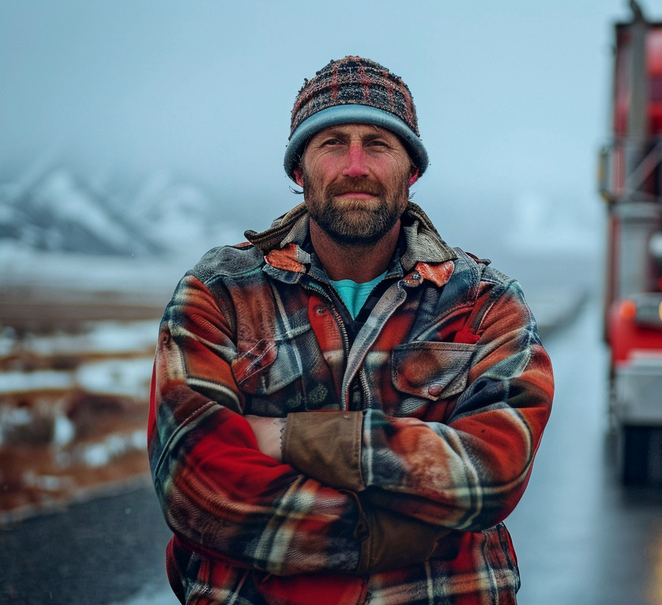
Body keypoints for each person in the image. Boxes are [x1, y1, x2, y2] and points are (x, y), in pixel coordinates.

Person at [148, 56, 554, 604]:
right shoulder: (219, 294)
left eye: (379, 144)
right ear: (299, 171)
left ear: (411, 173)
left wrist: (290, 438)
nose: (356, 165)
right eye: (333, 142)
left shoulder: (486, 302)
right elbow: (197, 485)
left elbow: (493, 471)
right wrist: (398, 531)